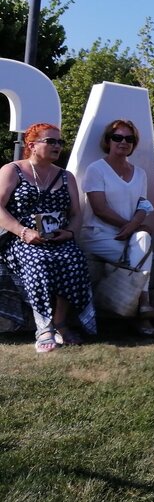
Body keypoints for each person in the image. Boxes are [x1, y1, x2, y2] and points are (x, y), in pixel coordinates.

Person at [0, 122, 96, 352]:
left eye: (60, 142)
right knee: (39, 262)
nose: (57, 146)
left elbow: (76, 213)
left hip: (56, 239)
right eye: (51, 141)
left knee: (73, 259)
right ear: (32, 144)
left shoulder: (66, 176)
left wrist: (69, 232)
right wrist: (23, 232)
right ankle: (43, 328)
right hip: (19, 239)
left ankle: (60, 323)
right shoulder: (12, 170)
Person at [80, 119, 154, 336]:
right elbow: (100, 209)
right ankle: (143, 310)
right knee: (141, 255)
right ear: (108, 141)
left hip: (129, 234)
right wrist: (131, 225)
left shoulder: (140, 173)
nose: (123, 142)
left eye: (129, 139)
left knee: (143, 240)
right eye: (117, 137)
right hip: (99, 235)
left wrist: (134, 226)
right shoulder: (96, 169)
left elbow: (143, 204)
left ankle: (140, 307)